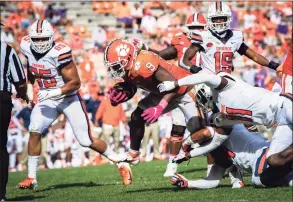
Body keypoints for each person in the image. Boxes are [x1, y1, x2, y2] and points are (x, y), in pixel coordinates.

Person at [17, 20, 132, 189]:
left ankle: (119, 160)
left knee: (85, 140)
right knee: (34, 129)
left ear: (51, 37)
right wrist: (28, 86)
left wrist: (52, 92)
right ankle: (31, 177)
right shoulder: (26, 45)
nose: (40, 43)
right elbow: (32, 67)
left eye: (43, 39)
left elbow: (75, 83)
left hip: (68, 98)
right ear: (30, 38)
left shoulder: (60, 52)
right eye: (36, 39)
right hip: (47, 98)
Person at [158, 70, 292, 187]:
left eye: (203, 99)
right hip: (279, 124)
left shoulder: (225, 86)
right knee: (271, 165)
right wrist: (189, 156)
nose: (206, 105)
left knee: (263, 175)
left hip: (282, 106)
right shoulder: (222, 118)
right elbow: (216, 141)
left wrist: (174, 84)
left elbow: (206, 133)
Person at [104, 39, 205, 167]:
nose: (113, 70)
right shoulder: (130, 66)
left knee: (201, 133)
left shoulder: (143, 62)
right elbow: (136, 82)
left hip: (184, 89)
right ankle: (133, 154)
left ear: (128, 58)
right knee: (137, 116)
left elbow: (173, 85)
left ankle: (224, 166)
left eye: (116, 65)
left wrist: (160, 107)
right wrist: (125, 92)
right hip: (163, 92)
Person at [171, 124, 292, 189]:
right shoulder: (217, 152)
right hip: (264, 158)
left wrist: (186, 147)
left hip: (262, 153)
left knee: (258, 180)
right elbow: (212, 181)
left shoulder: (223, 124)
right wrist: (189, 183)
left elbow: (205, 133)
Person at [181, 2, 280, 74]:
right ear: (210, 20)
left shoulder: (235, 36)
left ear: (228, 18)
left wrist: (274, 65)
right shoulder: (203, 35)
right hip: (207, 82)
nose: (219, 21)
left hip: (226, 82)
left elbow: (254, 56)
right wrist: (194, 69)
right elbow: (183, 60)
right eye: (216, 19)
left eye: (222, 18)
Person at [0, 21, 28, 200]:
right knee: (1, 147)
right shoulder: (7, 50)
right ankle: (0, 195)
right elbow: (20, 80)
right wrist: (23, 94)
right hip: (1, 98)